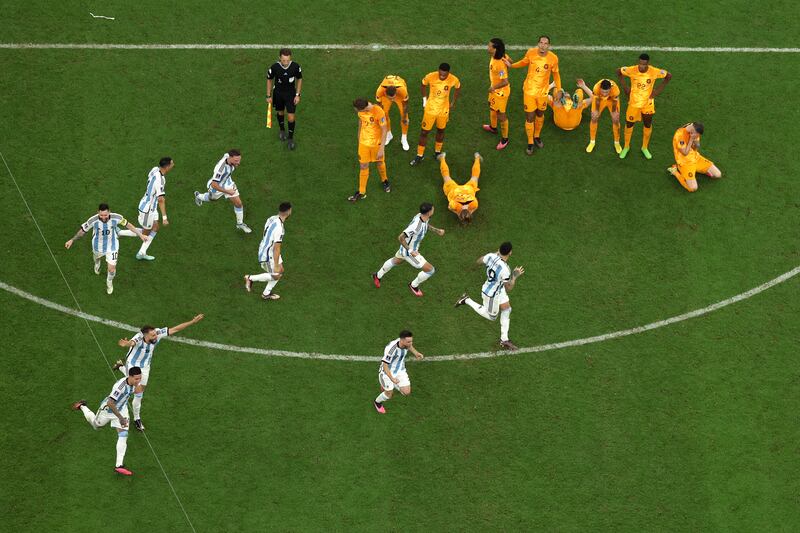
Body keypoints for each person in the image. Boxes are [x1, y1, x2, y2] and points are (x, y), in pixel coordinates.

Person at [112, 314, 204, 431]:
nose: (156, 336)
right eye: (153, 335)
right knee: (138, 392)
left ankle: (120, 366)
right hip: (133, 365)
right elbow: (132, 343)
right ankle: (137, 419)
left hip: (145, 367)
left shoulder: (157, 333)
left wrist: (192, 321)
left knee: (140, 391)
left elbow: (175, 329)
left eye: (155, 333)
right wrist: (126, 344)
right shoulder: (139, 338)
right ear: (145, 335)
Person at [71, 366, 143, 476]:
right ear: (130, 377)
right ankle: (82, 406)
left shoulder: (133, 383)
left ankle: (119, 465)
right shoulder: (120, 387)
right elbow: (110, 403)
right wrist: (120, 418)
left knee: (123, 434)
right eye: (137, 379)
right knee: (95, 425)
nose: (139, 381)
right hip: (108, 410)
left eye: (140, 378)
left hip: (122, 409)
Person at [455, 242, 524, 350]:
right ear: (510, 252)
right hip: (491, 294)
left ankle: (504, 339)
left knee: (507, 309)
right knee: (492, 317)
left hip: (498, 288)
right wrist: (514, 276)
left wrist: (493, 256)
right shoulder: (506, 270)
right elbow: (509, 288)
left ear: (499, 249)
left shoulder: (491, 256)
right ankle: (466, 300)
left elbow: (479, 261)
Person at [64, 203, 146, 294]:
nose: (103, 217)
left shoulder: (116, 217)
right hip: (97, 246)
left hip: (112, 246)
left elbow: (128, 225)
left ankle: (109, 282)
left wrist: (140, 235)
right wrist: (72, 240)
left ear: (109, 212)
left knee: (111, 269)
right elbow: (82, 232)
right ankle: (97, 264)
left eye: (105, 215)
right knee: (96, 258)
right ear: (98, 212)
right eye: (101, 215)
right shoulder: (93, 220)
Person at [372, 202, 445, 297]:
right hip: (409, 253)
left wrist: (437, 230)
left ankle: (377, 275)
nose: (433, 210)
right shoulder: (416, 226)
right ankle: (413, 285)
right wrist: (411, 251)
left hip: (405, 249)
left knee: (396, 261)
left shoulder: (422, 216)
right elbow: (401, 237)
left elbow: (426, 225)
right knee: (430, 270)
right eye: (432, 209)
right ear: (428, 212)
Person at [507, 35, 562, 155]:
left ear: (549, 45)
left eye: (546, 43)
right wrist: (512, 65)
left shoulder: (553, 58)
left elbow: (556, 75)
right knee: (530, 117)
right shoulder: (531, 53)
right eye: (541, 43)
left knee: (540, 114)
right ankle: (530, 142)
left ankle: (537, 135)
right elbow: (524, 62)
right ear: (538, 44)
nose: (543, 45)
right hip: (529, 91)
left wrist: (559, 89)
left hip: (543, 93)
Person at [118, 157, 174, 260]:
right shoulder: (160, 180)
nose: (173, 164)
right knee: (145, 233)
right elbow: (161, 199)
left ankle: (142, 252)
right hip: (148, 210)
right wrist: (165, 217)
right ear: (167, 167)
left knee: (156, 227)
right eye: (172, 163)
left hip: (150, 205)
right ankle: (120, 233)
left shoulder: (154, 169)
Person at [617, 53, 672, 159]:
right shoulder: (631, 70)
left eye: (644, 64)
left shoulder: (654, 71)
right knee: (629, 124)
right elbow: (618, 71)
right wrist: (625, 88)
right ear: (638, 62)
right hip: (633, 103)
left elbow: (668, 76)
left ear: (648, 63)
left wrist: (656, 92)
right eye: (640, 64)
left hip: (647, 104)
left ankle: (645, 147)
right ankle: (626, 147)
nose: (641, 66)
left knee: (647, 124)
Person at [409, 63, 461, 166]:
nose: (442, 76)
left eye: (444, 75)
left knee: (441, 130)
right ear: (438, 71)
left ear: (448, 73)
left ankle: (437, 152)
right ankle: (420, 155)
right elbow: (423, 85)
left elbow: (458, 87)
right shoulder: (430, 76)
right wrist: (424, 99)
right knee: (424, 132)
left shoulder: (453, 79)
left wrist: (453, 102)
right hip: (430, 110)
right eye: (440, 74)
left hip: (443, 110)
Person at [193, 150, 252, 233]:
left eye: (239, 160)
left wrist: (229, 190)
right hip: (217, 187)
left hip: (228, 183)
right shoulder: (220, 169)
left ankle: (240, 224)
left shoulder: (228, 156)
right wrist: (228, 192)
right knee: (213, 199)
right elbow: (214, 184)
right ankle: (199, 196)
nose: (238, 163)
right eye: (236, 161)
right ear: (230, 158)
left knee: (238, 204)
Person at [244, 202, 293, 300]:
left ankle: (266, 293)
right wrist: (275, 264)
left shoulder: (272, 218)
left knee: (281, 270)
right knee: (276, 275)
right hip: (267, 253)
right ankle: (250, 278)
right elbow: (277, 248)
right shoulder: (279, 229)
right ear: (288, 212)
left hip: (267, 247)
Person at [348, 99, 389, 203]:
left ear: (364, 108)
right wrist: (358, 134)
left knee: (379, 162)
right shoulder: (360, 112)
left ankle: (385, 180)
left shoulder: (378, 112)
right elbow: (361, 121)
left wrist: (381, 148)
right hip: (364, 143)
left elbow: (384, 130)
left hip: (376, 144)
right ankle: (361, 191)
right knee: (363, 166)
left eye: (357, 109)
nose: (356, 111)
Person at [373, 330, 424, 414]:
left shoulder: (405, 343)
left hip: (400, 370)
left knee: (406, 392)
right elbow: (385, 366)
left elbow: (409, 346)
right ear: (402, 340)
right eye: (408, 341)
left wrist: (416, 353)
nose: (410, 343)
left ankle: (388, 385)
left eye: (411, 341)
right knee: (388, 394)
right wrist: (392, 378)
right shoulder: (392, 350)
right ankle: (377, 402)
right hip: (386, 373)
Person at [668, 122, 722, 192]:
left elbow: (695, 148)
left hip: (696, 158)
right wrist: (691, 140)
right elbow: (685, 153)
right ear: (693, 131)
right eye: (697, 135)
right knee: (693, 188)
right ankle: (675, 171)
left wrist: (696, 142)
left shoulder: (694, 130)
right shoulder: (680, 135)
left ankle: (697, 170)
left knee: (718, 174)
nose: (697, 137)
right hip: (685, 163)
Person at [266, 48, 302, 150]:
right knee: (280, 113)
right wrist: (268, 95)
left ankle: (290, 138)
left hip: (290, 94)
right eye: (283, 60)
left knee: (291, 117)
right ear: (279, 58)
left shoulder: (295, 67)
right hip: (278, 93)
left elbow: (299, 79)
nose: (285, 62)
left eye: (287, 60)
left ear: (290, 58)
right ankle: (282, 130)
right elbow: (269, 79)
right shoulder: (274, 67)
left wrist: (298, 94)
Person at [482, 38, 511, 150]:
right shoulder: (501, 56)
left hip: (500, 93)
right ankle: (493, 128)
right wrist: (509, 63)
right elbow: (511, 61)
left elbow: (505, 81)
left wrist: (492, 87)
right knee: (491, 107)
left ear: (495, 49)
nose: (488, 47)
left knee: (501, 115)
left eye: (490, 46)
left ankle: (505, 139)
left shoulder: (499, 64)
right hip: (495, 91)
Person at [438, 151, 483, 224]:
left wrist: (470, 211)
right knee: (446, 176)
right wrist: (456, 212)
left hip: (467, 189)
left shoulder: (474, 204)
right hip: (454, 190)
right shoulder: (454, 205)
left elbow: (475, 207)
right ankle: (442, 158)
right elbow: (449, 208)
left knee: (475, 176)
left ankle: (477, 157)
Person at [586, 78, 622, 154]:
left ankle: (617, 142)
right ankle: (592, 141)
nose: (605, 94)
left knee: (616, 120)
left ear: (610, 89)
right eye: (603, 91)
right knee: (594, 118)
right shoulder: (596, 89)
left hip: (611, 100)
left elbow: (615, 102)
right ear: (600, 88)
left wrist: (614, 112)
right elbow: (598, 100)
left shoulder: (615, 91)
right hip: (599, 99)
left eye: (607, 92)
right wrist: (596, 111)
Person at [375, 74, 410, 151]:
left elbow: (405, 105)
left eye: (393, 98)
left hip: (399, 95)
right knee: (384, 114)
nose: (392, 100)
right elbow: (379, 106)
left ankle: (404, 138)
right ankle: (389, 134)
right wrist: (381, 116)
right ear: (385, 93)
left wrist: (404, 117)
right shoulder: (380, 91)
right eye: (390, 98)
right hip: (386, 96)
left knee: (404, 116)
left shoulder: (402, 90)